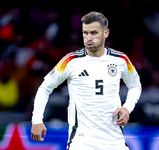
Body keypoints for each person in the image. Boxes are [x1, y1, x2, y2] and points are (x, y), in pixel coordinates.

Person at [31, 11, 141, 150]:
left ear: (106, 33)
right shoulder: (71, 61)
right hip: (82, 142)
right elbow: (44, 88)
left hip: (114, 142)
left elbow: (135, 86)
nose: (88, 38)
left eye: (94, 33)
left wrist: (127, 108)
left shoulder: (120, 60)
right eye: (85, 33)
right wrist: (37, 120)